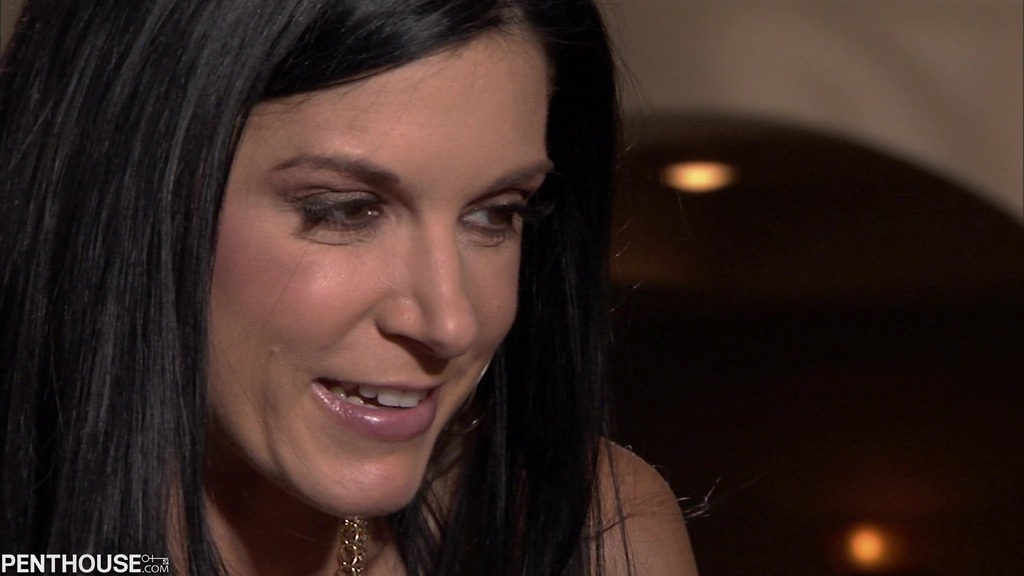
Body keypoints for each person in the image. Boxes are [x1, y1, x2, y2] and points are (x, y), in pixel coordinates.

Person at [0, 1, 698, 574]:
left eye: (495, 214)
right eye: (346, 210)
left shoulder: (588, 533)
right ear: (124, 201)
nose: (450, 321)